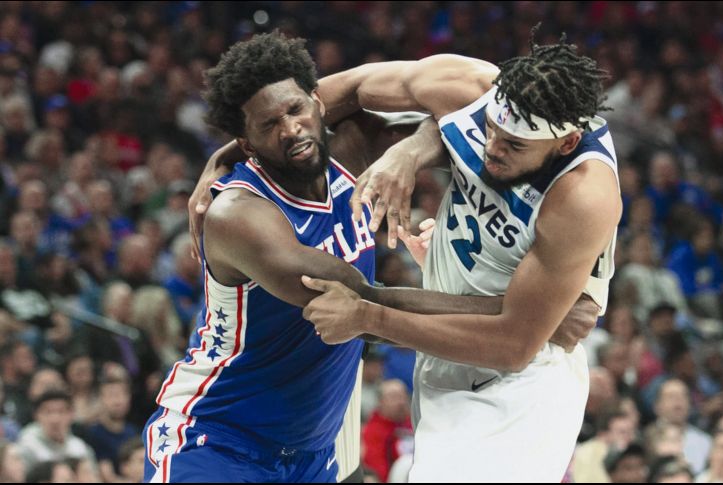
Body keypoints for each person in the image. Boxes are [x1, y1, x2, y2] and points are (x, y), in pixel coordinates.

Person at [159, 31, 598, 483]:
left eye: (295, 110)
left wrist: (409, 152)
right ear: (247, 145)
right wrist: (535, 316)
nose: (290, 129)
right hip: (218, 438)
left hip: (311, 454)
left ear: (317, 101)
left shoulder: (352, 147)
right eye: (268, 125)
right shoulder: (239, 215)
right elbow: (365, 304)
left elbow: (455, 124)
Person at [299, 31, 622, 481]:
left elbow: (513, 344)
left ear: (564, 144)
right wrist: (234, 155)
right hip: (441, 347)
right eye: (492, 129)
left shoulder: (584, 194)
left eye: (514, 145)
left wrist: (368, 316)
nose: (493, 149)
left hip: (518, 386)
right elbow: (347, 89)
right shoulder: (469, 85)